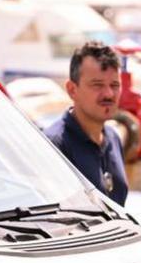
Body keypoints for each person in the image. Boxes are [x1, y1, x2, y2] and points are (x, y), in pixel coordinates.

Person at [44, 41, 128, 205]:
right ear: (72, 89)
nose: (109, 94)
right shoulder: (54, 146)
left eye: (115, 85)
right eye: (97, 85)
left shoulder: (113, 139)